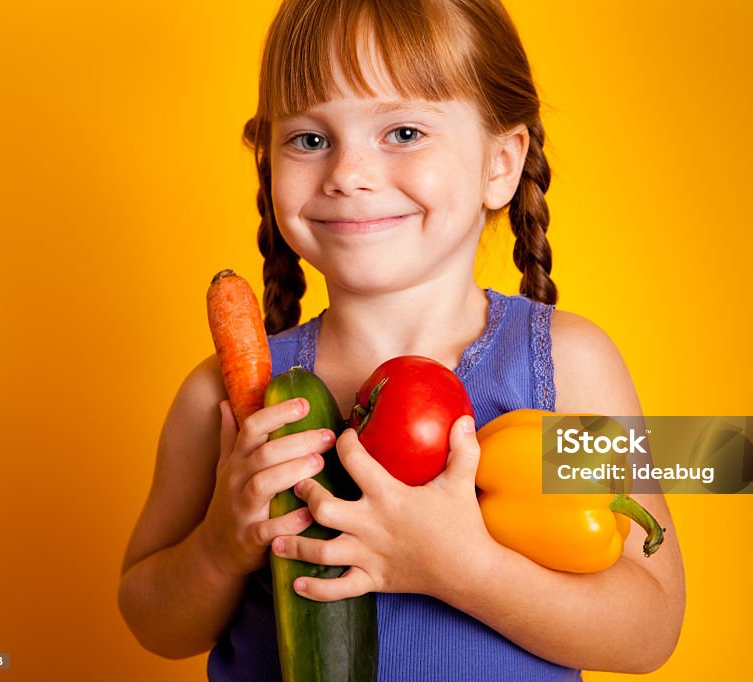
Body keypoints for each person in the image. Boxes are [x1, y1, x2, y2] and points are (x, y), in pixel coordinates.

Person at [118, 0, 685, 679]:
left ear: (500, 164)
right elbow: (149, 615)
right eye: (310, 139)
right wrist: (220, 545)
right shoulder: (222, 396)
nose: (348, 173)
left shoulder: (569, 366)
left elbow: (650, 624)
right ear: (268, 160)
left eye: (405, 132)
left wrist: (464, 569)